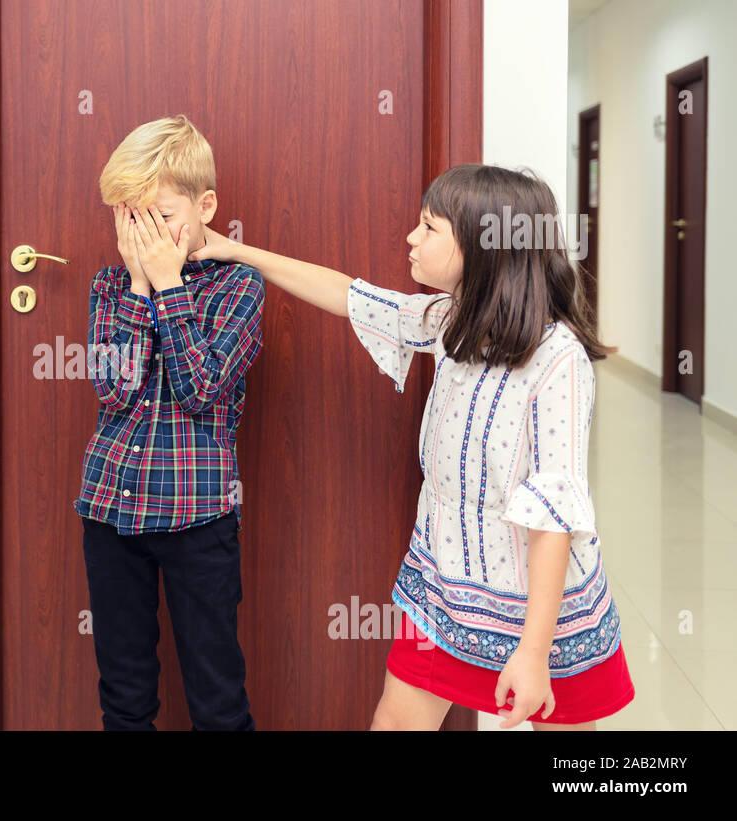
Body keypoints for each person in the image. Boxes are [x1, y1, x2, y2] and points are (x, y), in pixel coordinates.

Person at [191, 163, 634, 730]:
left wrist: (533, 651)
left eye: (429, 228)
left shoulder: (558, 360)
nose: (411, 238)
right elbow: (351, 296)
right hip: (445, 584)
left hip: (540, 612)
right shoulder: (453, 322)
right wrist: (239, 252)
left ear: (482, 247)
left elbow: (554, 515)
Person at [75, 115, 264, 730]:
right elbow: (113, 388)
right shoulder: (110, 287)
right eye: (128, 217)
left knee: (217, 695)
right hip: (112, 513)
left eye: (157, 215)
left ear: (205, 205)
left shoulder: (238, 287)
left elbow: (200, 390)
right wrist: (137, 284)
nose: (142, 233)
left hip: (198, 519)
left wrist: (167, 285)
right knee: (124, 693)